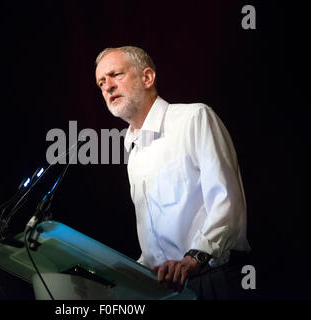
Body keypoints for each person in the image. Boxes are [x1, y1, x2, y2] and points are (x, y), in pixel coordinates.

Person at [94, 46, 252, 300]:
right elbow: (155, 247)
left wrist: (193, 259)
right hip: (167, 293)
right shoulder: (133, 152)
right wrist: (124, 276)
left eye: (115, 75)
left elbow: (228, 204)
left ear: (147, 78)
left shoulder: (193, 118)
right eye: (101, 82)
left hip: (213, 280)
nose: (107, 86)